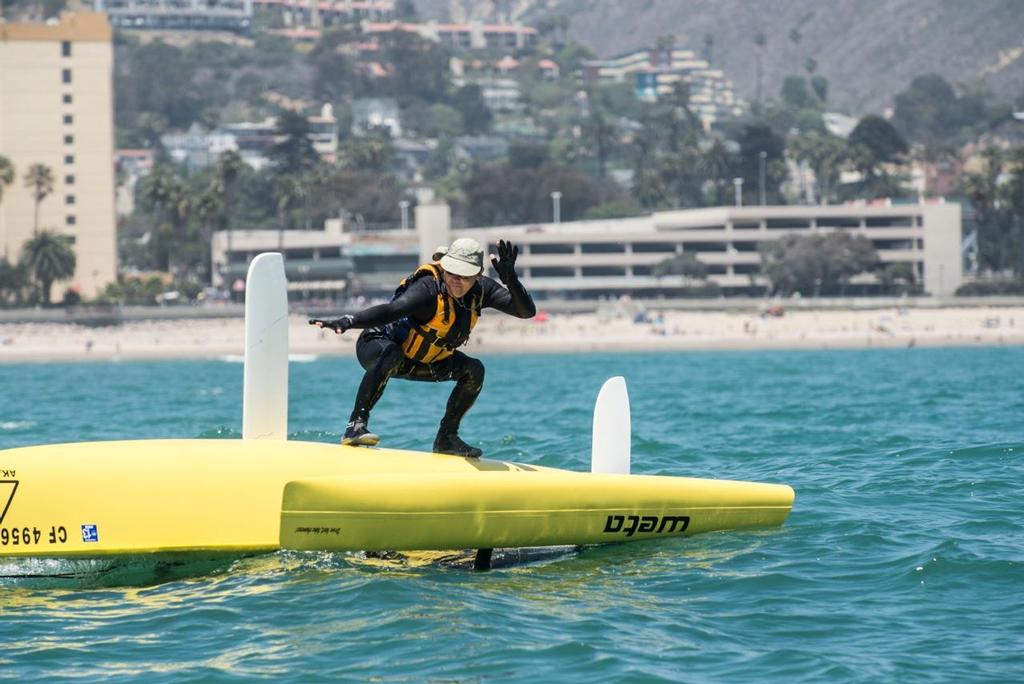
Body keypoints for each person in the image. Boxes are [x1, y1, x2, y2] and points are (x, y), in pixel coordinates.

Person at [310, 238, 535, 457]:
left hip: (424, 362)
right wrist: (349, 321)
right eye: (452, 273)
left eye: (464, 276)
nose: (456, 281)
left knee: (474, 370)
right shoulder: (428, 288)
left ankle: (447, 438)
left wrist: (511, 280)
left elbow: (526, 312)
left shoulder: (482, 290)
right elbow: (392, 310)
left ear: (476, 275)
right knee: (393, 354)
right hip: (378, 347)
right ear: (444, 268)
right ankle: (356, 425)